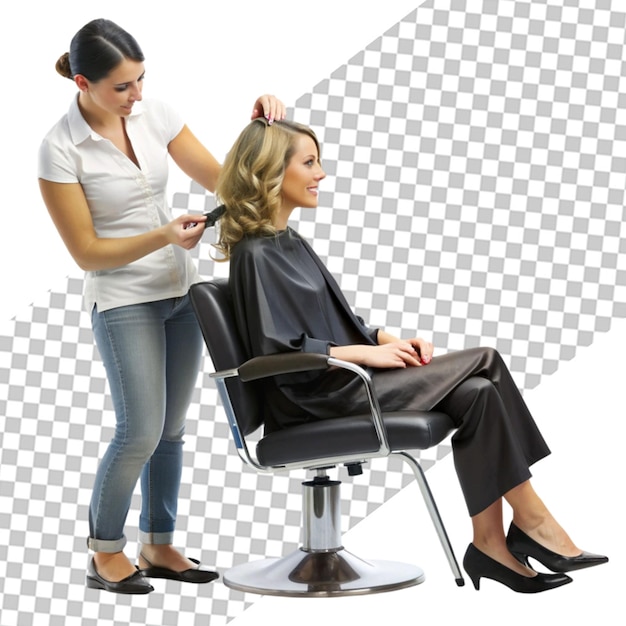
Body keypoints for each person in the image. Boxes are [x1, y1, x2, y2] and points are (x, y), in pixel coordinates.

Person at [211, 117, 608, 593]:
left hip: (342, 380)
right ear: (271, 171)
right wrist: (366, 356)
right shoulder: (256, 253)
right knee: (486, 359)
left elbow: (336, 322)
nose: (322, 173)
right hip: (314, 398)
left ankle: (490, 544)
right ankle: (533, 520)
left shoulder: (290, 242)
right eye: (309, 162)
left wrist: (383, 339)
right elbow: (276, 349)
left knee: (479, 393)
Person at [38, 18, 285, 595]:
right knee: (139, 431)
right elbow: (86, 252)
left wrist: (260, 133)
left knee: (170, 431)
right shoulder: (59, 150)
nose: (137, 95)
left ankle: (159, 543)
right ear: (83, 83)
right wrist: (164, 237)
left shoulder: (157, 115)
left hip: (182, 294)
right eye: (122, 87)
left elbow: (227, 180)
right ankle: (104, 553)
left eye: (141, 79)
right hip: (125, 301)